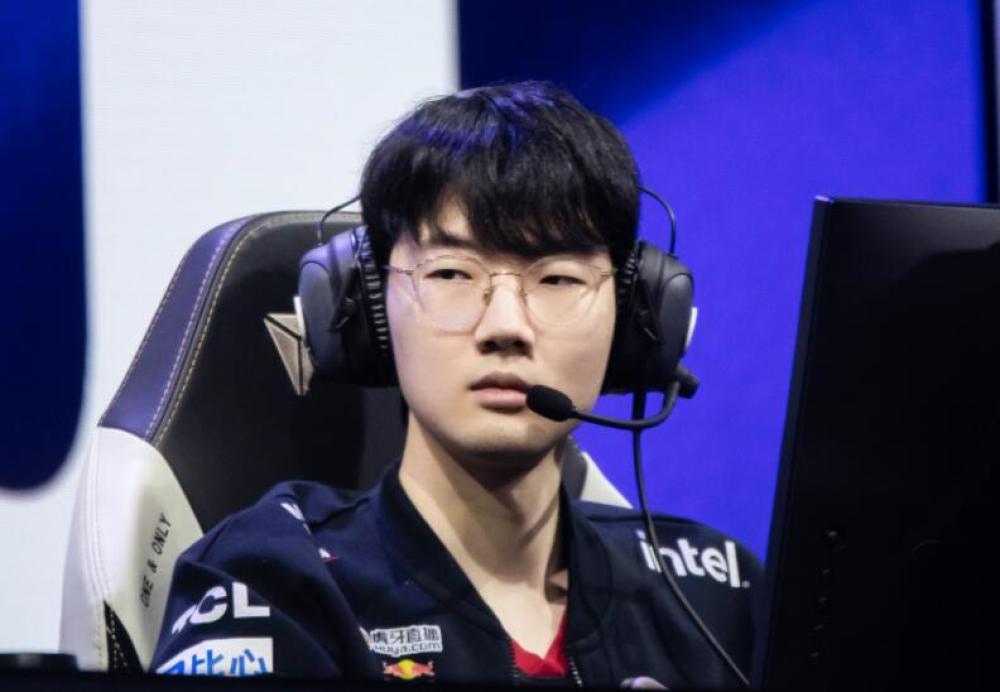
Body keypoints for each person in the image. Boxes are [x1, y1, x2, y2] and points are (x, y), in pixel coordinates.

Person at [150, 81, 761, 687]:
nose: (505, 327)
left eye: (557, 279)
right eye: (450, 273)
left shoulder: (714, 597)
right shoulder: (270, 583)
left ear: (634, 318)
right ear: (367, 308)